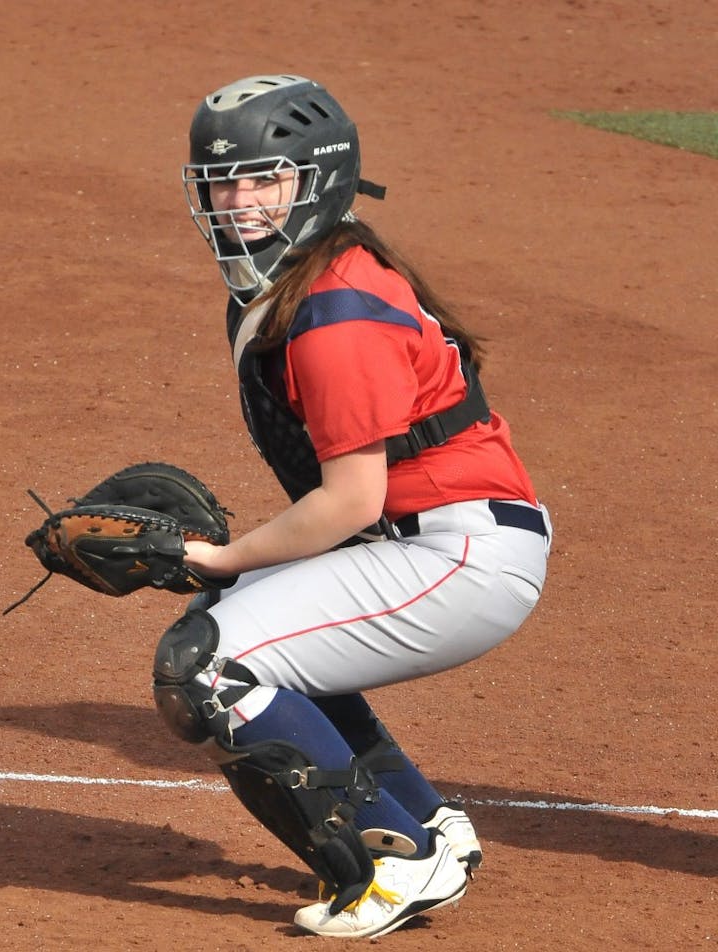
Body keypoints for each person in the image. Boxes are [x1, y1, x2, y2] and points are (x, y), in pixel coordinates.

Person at [152, 74, 552, 939]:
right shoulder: (309, 277)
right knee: (235, 624)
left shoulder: (334, 314)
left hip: (456, 557)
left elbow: (351, 499)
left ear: (318, 178)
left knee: (210, 665)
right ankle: (430, 829)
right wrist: (228, 573)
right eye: (224, 181)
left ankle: (390, 862)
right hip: (428, 541)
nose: (239, 200)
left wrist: (217, 556)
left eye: (266, 178)